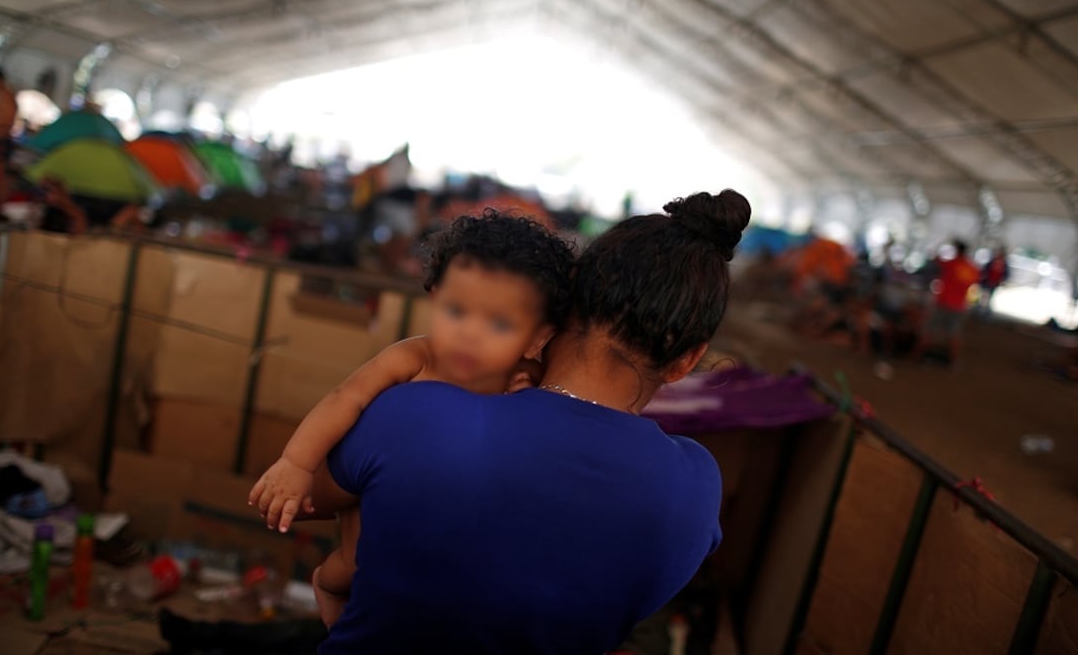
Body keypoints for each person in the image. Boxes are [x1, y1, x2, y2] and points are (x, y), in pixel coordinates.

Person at [263, 190, 750, 654]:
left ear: (561, 301)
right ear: (687, 359)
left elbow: (299, 500)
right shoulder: (695, 492)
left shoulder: (421, 409)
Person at [250, 210, 576, 624]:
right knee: (355, 565)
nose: (469, 334)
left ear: (537, 338)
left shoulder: (525, 379)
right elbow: (344, 399)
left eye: (498, 323)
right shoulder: (414, 356)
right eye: (457, 311)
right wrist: (296, 463)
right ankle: (328, 590)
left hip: (440, 511)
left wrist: (525, 394)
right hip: (372, 490)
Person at [914, 239, 980, 365]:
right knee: (954, 334)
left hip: (943, 303)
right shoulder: (972, 268)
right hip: (959, 306)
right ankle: (954, 362)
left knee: (928, 330)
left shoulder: (951, 264)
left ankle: (916, 356)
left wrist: (941, 244)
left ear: (956, 250)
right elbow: (973, 285)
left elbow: (936, 260)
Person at [0, 68, 18, 207]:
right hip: (1, 140)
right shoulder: (4, 96)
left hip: (0, 141)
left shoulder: (6, 97)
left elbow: (5, 124)